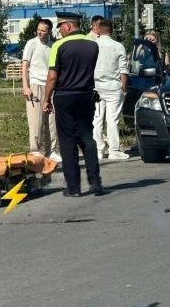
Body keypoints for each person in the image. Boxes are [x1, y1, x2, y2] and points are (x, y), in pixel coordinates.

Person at [42, 11, 104, 197]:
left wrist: (46, 99)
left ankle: (73, 187)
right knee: (87, 137)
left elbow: (53, 76)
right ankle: (95, 182)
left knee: (67, 141)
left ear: (68, 26)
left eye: (60, 27)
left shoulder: (59, 46)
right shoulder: (93, 44)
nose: (59, 31)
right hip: (86, 95)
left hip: (65, 96)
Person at [22, 18, 61, 162]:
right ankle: (35, 150)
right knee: (36, 120)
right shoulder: (31, 44)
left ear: (49, 32)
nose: (40, 32)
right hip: (35, 84)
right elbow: (25, 66)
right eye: (38, 29)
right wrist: (25, 86)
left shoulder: (53, 46)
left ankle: (52, 150)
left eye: (43, 30)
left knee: (52, 120)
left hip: (50, 85)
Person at [92, 20, 130, 160]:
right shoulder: (118, 46)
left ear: (98, 30)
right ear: (111, 31)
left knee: (97, 119)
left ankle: (98, 150)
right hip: (113, 87)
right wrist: (124, 89)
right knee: (112, 120)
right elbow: (123, 70)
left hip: (96, 87)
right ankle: (114, 150)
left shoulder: (93, 45)